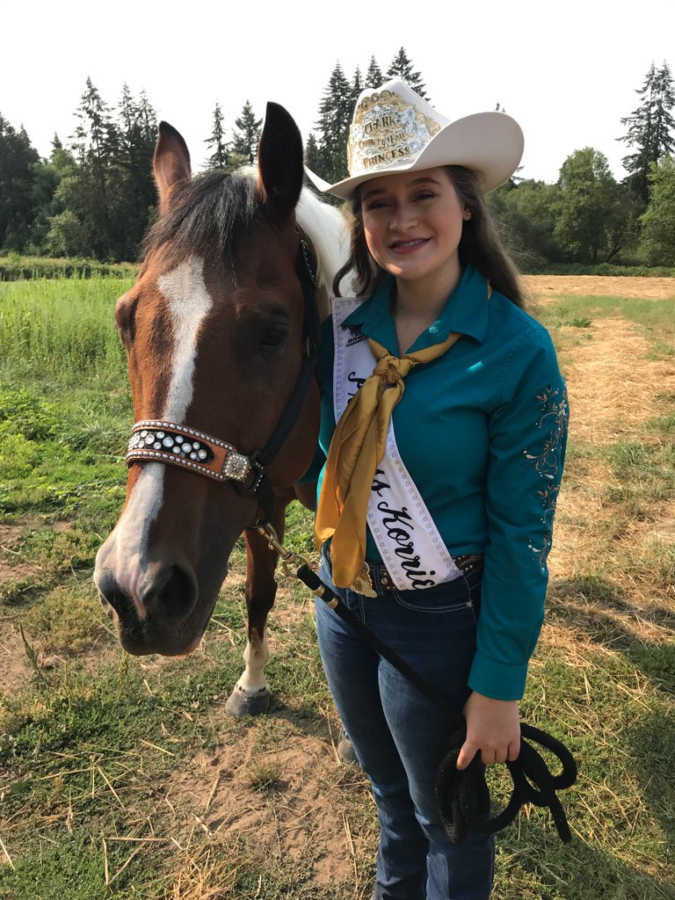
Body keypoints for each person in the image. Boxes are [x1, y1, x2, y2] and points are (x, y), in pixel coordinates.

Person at [304, 80, 569, 900]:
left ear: (464, 206)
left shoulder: (518, 352)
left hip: (440, 621)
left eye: (423, 193)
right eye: (377, 202)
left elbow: (523, 536)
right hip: (343, 605)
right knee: (389, 799)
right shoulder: (335, 331)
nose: (401, 218)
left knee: (444, 816)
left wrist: (497, 686)